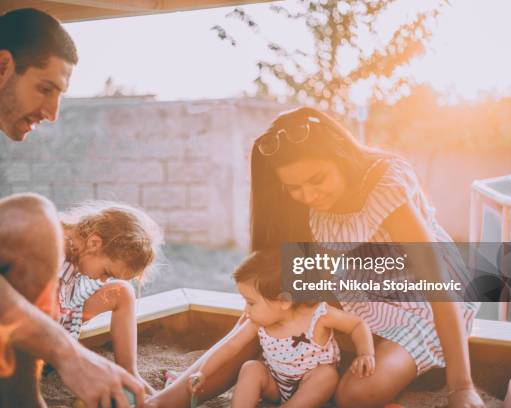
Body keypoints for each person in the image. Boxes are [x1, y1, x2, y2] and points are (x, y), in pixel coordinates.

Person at [147, 106, 484, 408]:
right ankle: (167, 399)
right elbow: (261, 308)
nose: (308, 195)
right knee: (267, 317)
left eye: (317, 180)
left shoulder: (385, 184)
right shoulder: (304, 206)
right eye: (294, 188)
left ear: (340, 155)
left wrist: (462, 387)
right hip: (361, 287)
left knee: (357, 394)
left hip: (421, 298)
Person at [0, 9, 143, 408]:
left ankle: (5, 398)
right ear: (3, 66)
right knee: (34, 223)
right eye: (45, 89)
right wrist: (68, 353)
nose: (53, 113)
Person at [187, 250, 375, 408]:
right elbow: (230, 346)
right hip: (276, 385)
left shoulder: (319, 315)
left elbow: (357, 324)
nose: (246, 310)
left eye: (251, 303)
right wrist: (203, 372)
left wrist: (365, 353)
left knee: (326, 375)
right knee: (251, 367)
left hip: (313, 388)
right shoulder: (258, 322)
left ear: (284, 301)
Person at [58, 201, 162, 394]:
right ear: (95, 243)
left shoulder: (80, 250)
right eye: (107, 272)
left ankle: (129, 371)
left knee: (122, 292)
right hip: (34, 321)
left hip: (62, 305)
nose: (103, 281)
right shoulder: (53, 252)